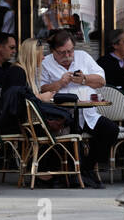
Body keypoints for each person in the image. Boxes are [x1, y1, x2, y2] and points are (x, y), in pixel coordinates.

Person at [38, 29, 117, 189]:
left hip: (88, 113)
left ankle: (88, 167)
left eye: (70, 51)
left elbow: (101, 81)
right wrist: (60, 83)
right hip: (63, 115)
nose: (67, 56)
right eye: (62, 53)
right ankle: (76, 176)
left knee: (111, 130)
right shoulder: (46, 63)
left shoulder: (83, 57)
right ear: (53, 51)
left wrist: (84, 79)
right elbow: (41, 89)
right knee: (73, 137)